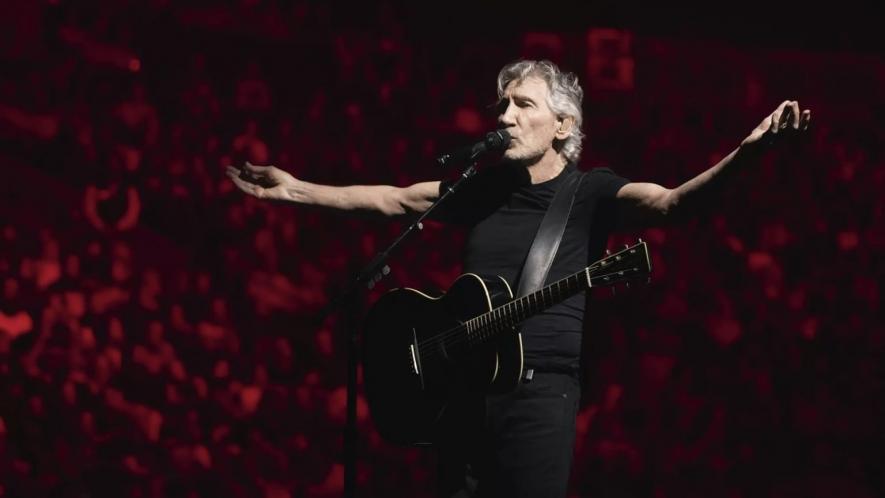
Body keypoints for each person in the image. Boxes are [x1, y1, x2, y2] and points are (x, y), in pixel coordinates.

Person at [226, 59, 811, 497]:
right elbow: (394, 200)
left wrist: (747, 152)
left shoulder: (590, 192)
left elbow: (672, 203)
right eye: (503, 105)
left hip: (539, 398)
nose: (505, 116)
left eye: (522, 105)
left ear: (562, 125)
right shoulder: (482, 191)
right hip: (463, 394)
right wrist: (295, 188)